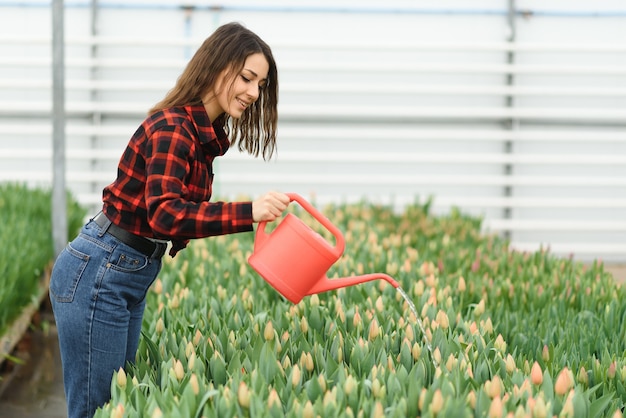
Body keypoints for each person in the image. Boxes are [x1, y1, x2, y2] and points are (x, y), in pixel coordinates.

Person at [49, 22, 290, 418]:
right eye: (247, 78)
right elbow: (166, 215)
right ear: (216, 66)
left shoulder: (200, 135)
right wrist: (249, 212)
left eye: (260, 84)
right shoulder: (173, 129)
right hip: (99, 273)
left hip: (124, 270)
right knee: (97, 410)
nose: (253, 92)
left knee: (117, 405)